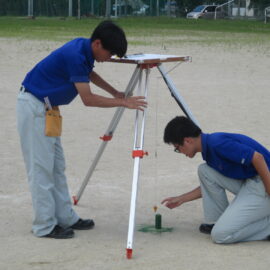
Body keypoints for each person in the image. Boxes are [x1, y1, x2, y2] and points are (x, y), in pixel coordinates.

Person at [17, 20, 147, 239]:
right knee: (41, 170)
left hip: (47, 109)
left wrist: (115, 92)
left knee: (57, 167)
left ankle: (66, 217)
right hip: (34, 108)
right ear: (97, 43)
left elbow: (88, 74)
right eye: (110, 53)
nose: (109, 58)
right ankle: (45, 226)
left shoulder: (83, 49)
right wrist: (123, 103)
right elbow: (88, 99)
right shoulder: (75, 54)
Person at [161, 116, 270, 243]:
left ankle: (266, 227)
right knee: (205, 170)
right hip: (252, 180)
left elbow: (257, 158)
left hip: (263, 182)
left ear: (187, 141)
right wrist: (182, 198)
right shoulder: (209, 147)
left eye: (177, 148)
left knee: (220, 235)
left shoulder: (218, 143)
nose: (179, 151)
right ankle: (217, 221)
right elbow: (209, 185)